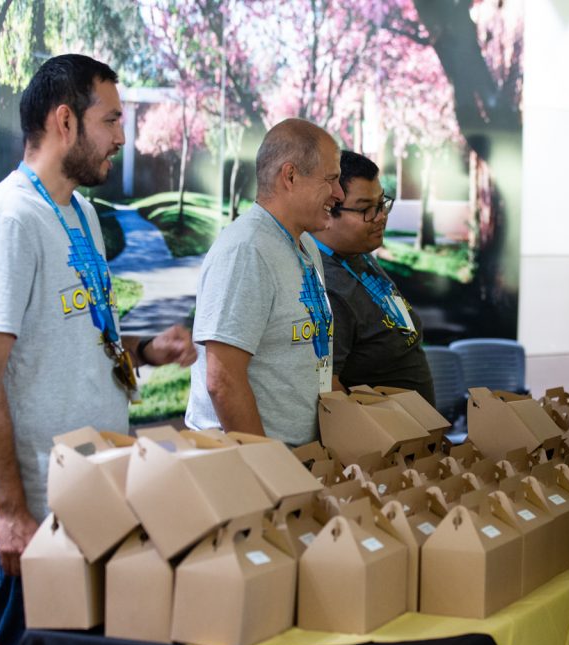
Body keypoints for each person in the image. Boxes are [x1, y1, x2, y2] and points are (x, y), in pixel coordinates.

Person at [0, 54, 196, 645]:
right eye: (111, 119)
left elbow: (82, 334)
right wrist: (10, 513)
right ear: (65, 121)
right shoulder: (8, 217)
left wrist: (145, 350)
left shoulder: (81, 215)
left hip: (98, 501)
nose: (122, 136)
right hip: (37, 519)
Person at [185, 118, 344, 445]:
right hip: (250, 469)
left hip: (298, 460)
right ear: (290, 176)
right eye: (331, 180)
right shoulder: (247, 250)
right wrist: (267, 468)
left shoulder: (306, 244)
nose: (339, 194)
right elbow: (223, 379)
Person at [313, 150, 434, 404]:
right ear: (327, 209)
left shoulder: (358, 252)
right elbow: (328, 385)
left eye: (381, 204)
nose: (380, 217)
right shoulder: (328, 288)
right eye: (366, 209)